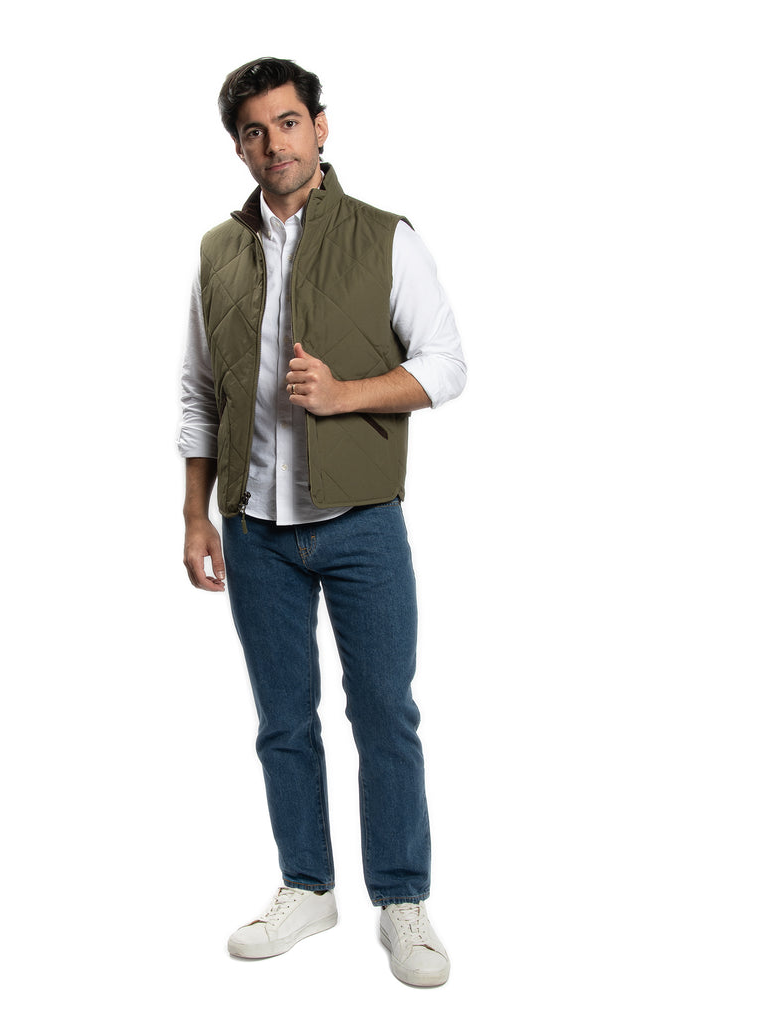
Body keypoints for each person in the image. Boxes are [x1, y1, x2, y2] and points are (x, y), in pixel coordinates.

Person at [178, 57, 466, 987]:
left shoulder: (385, 236)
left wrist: (346, 395)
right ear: (239, 147)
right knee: (282, 721)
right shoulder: (218, 252)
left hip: (360, 522)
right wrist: (195, 514)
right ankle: (307, 885)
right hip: (253, 527)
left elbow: (447, 364)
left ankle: (402, 900)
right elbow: (199, 392)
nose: (276, 143)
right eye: (255, 131)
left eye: (290, 122)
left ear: (321, 126)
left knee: (385, 713)